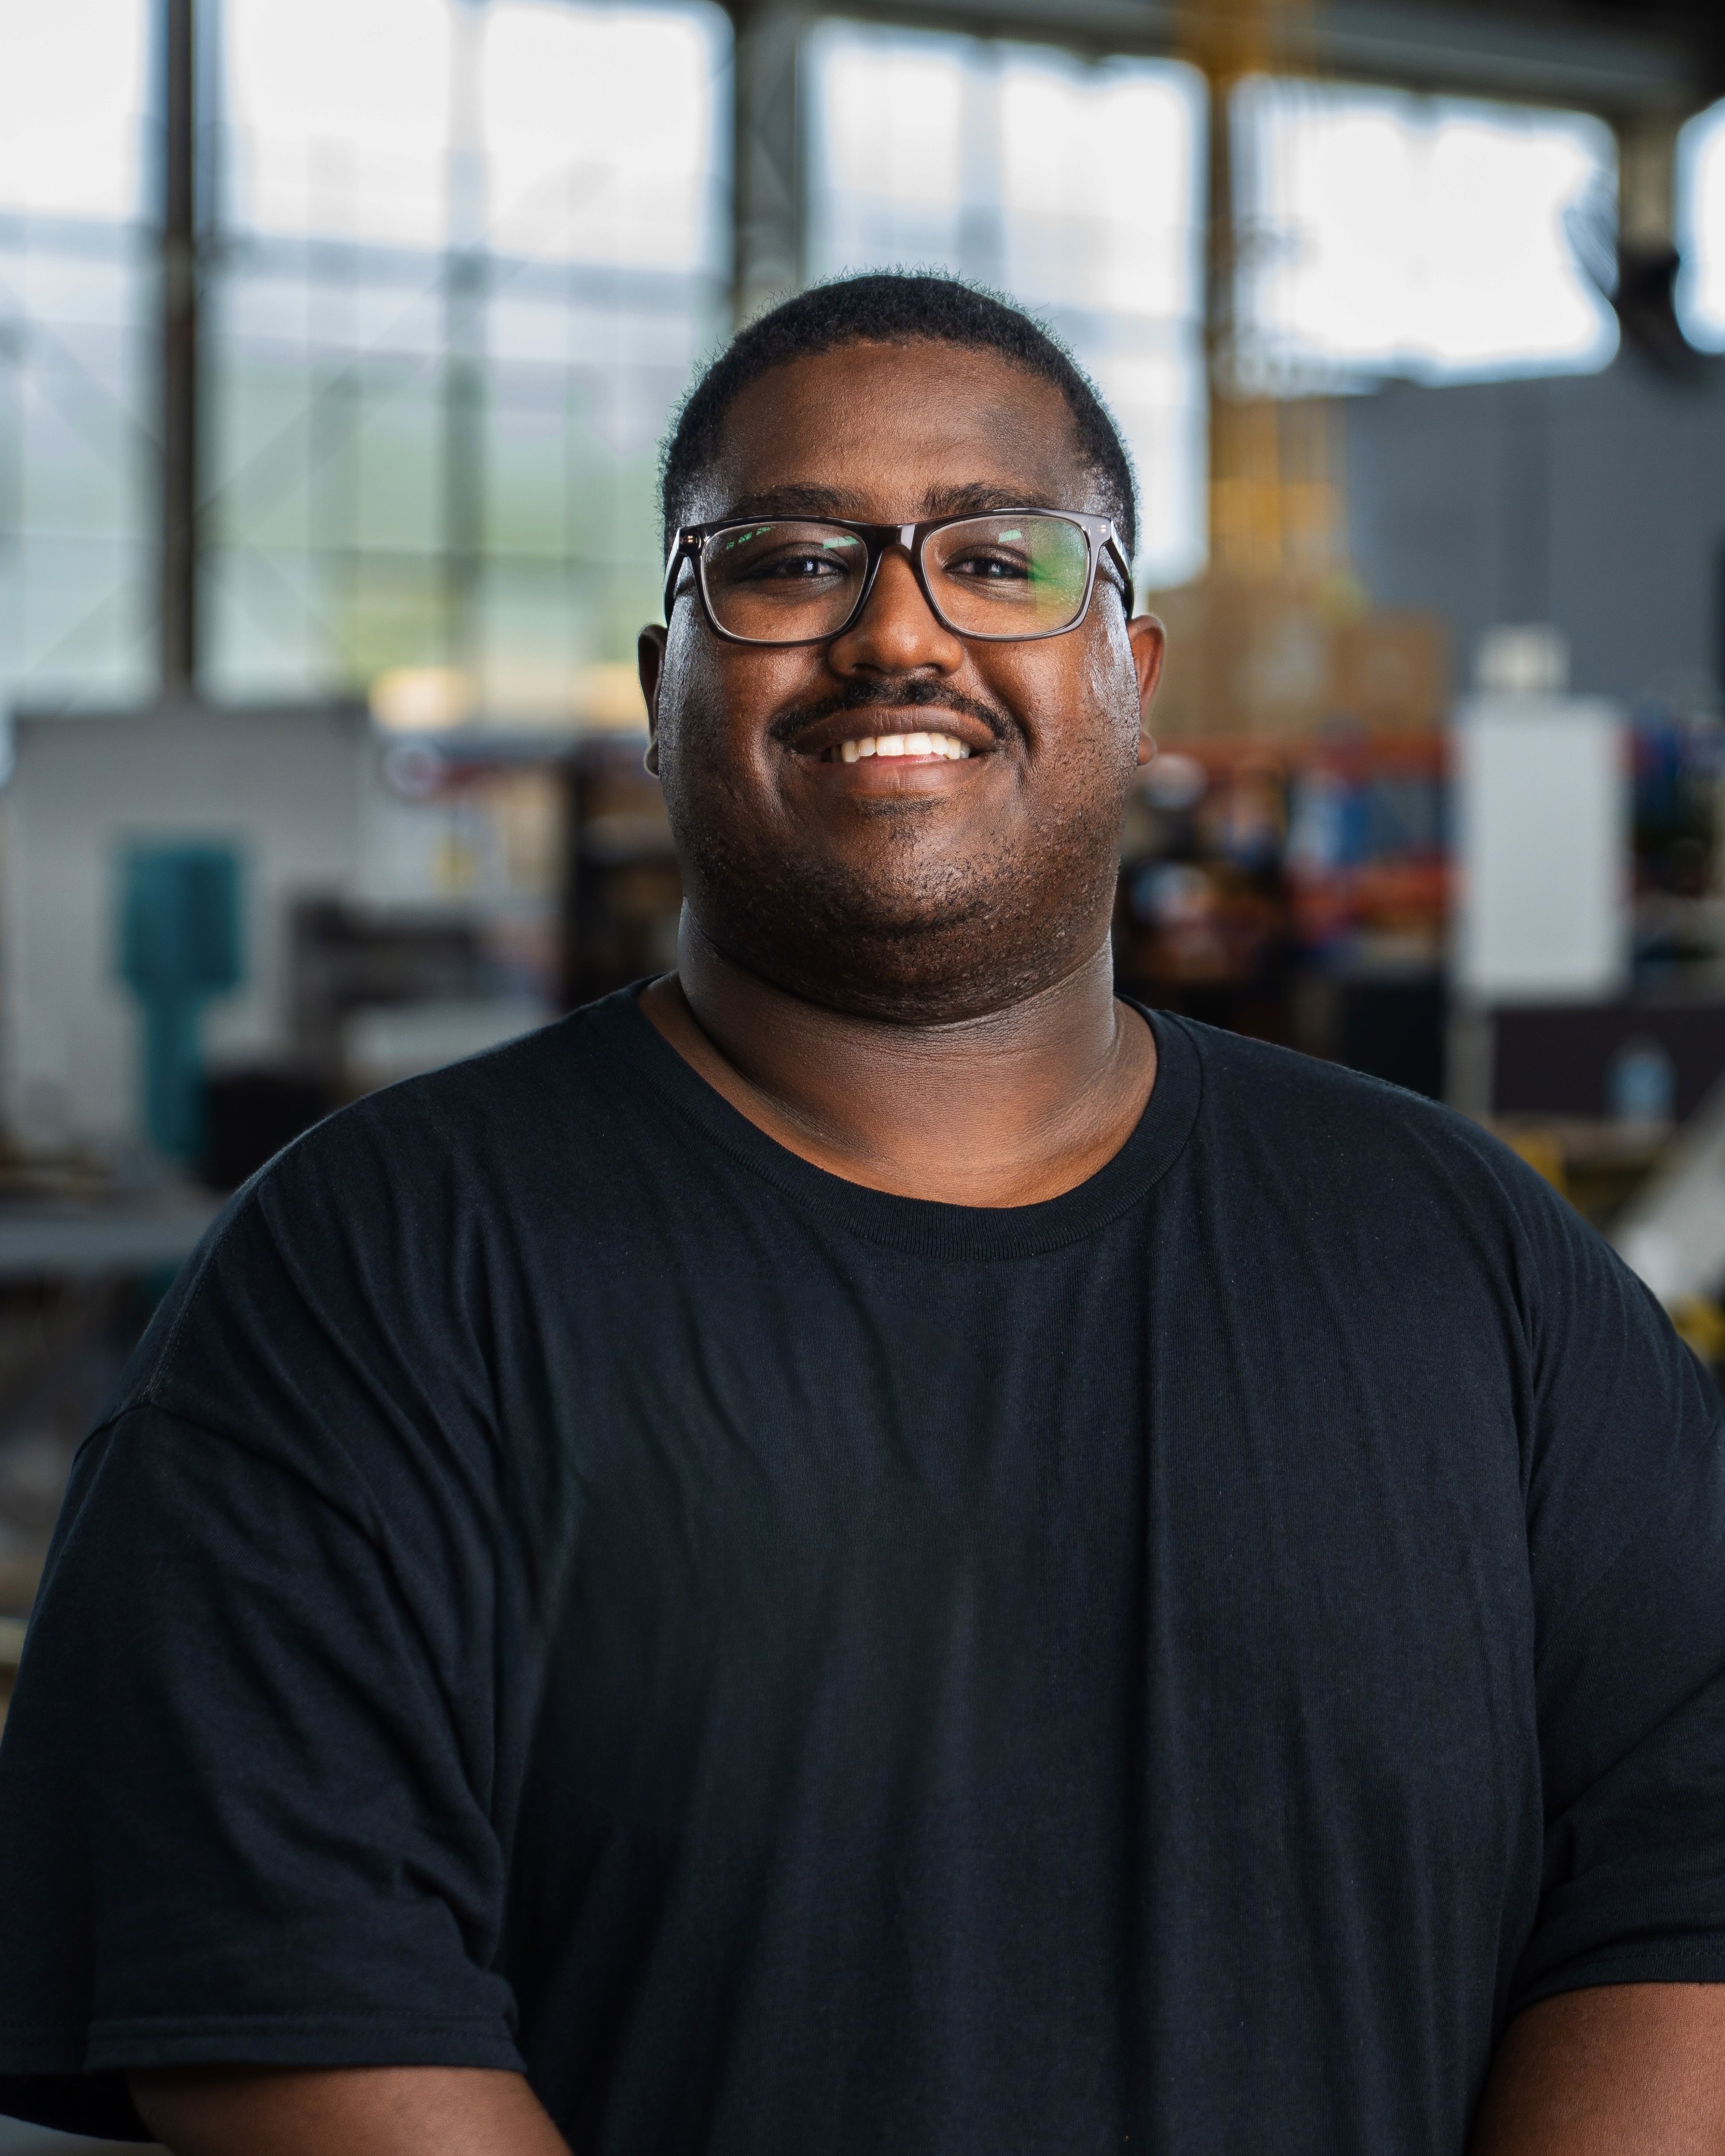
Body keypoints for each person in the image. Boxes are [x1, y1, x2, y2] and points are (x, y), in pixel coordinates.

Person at [0, 273, 1723, 2156]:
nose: (896, 629)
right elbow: (298, 2013)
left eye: (1000, 558)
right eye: (788, 558)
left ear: (1130, 677)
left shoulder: (1469, 1263)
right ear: (660, 679)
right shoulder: (363, 1284)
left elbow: (1677, 1873)